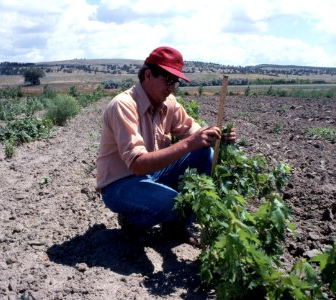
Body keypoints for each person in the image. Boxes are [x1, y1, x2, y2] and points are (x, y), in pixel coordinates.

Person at [96, 46, 235, 246]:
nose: (171, 88)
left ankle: (175, 227)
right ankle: (131, 221)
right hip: (120, 185)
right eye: (167, 80)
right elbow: (137, 165)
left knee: (205, 152)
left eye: (175, 82)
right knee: (174, 203)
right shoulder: (123, 105)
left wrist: (218, 135)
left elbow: (195, 132)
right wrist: (188, 144)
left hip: (151, 176)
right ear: (148, 75)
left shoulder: (168, 103)